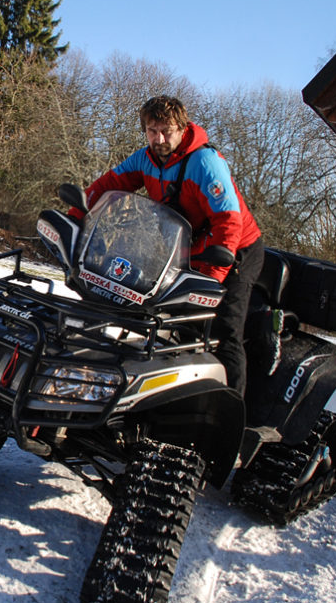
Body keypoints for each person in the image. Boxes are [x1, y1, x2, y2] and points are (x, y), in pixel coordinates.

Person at [75, 95, 264, 396]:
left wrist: (212, 279)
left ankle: (234, 411)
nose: (159, 139)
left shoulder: (204, 163)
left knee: (222, 328)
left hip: (235, 251)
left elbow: (229, 222)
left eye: (167, 131)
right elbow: (109, 184)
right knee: (165, 319)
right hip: (189, 249)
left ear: (182, 128)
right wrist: (76, 215)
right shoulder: (145, 158)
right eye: (152, 131)